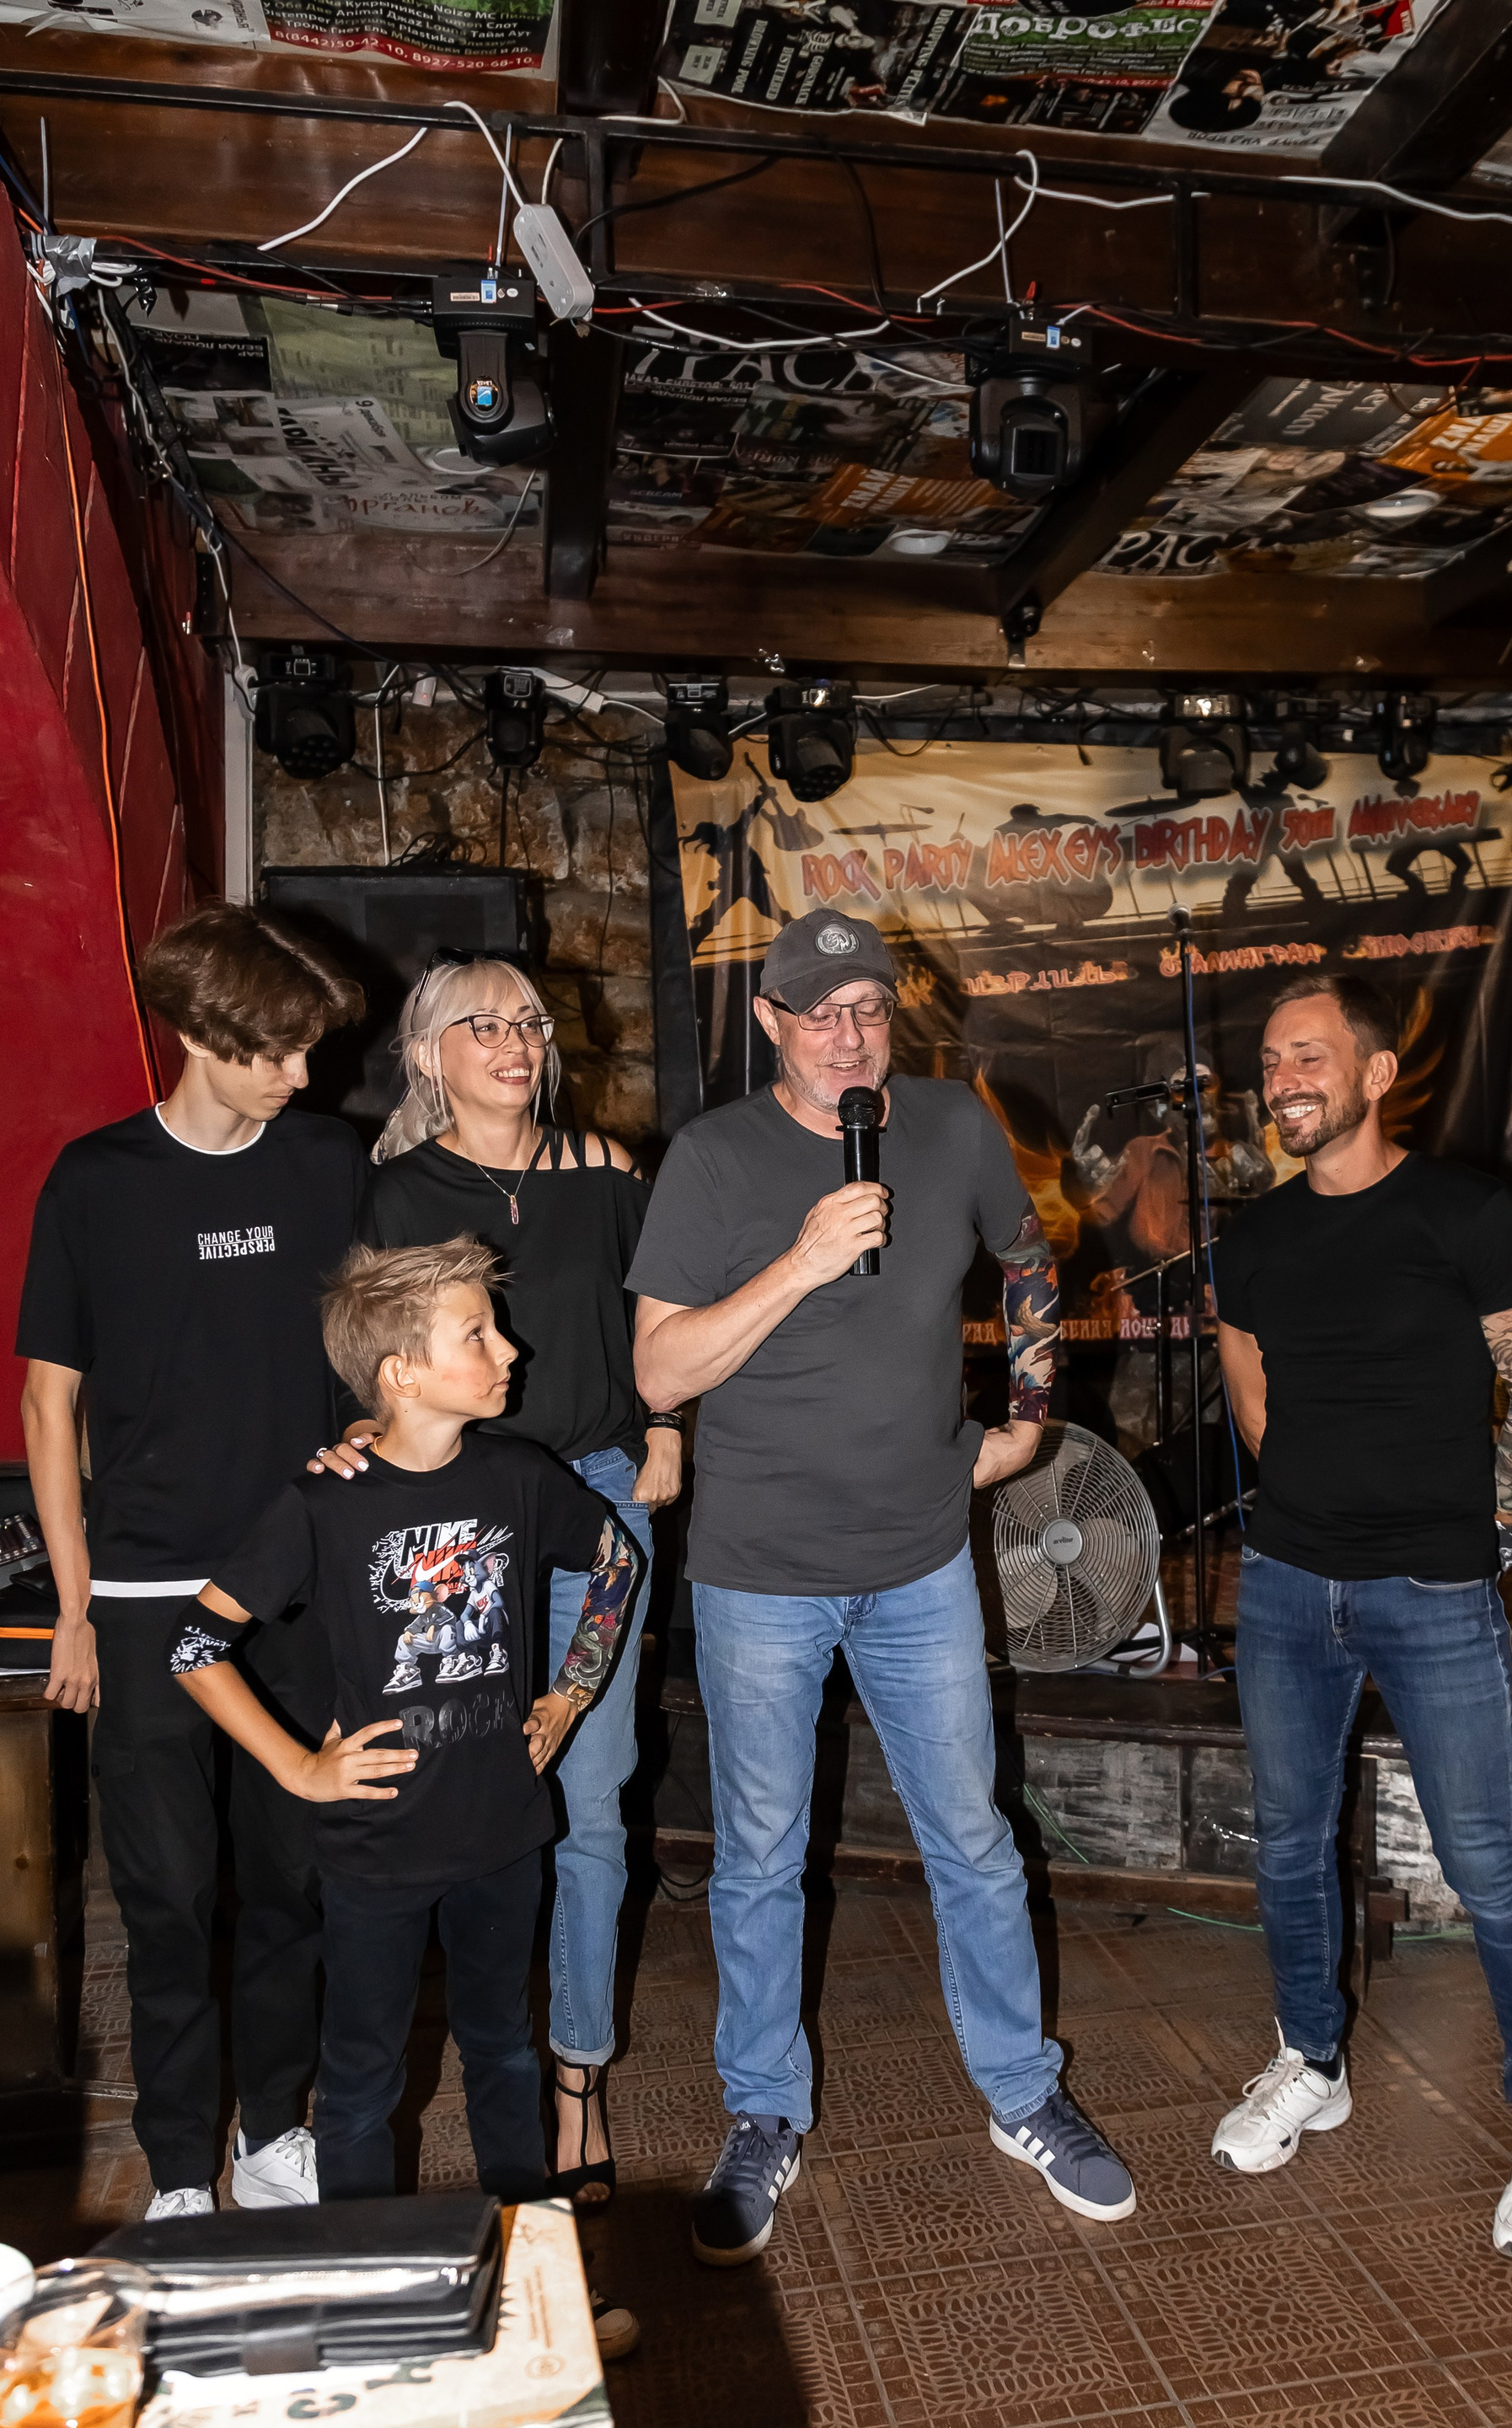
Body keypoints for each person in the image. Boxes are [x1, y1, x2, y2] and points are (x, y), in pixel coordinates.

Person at [628, 907, 1138, 2265]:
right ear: (770, 1023)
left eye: (868, 1010)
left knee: (971, 1837)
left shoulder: (955, 1125)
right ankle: (762, 2113)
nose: (850, 1037)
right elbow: (661, 1371)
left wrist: (1027, 1412)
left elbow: (1028, 1259)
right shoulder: (715, 1158)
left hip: (920, 1558)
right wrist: (803, 1257)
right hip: (761, 1572)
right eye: (820, 1013)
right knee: (759, 1859)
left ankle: (1024, 2093)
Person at [1214, 973, 1512, 2263]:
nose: (1282, 1080)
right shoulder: (1255, 1239)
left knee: (1487, 1864)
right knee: (1287, 1847)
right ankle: (1310, 2061)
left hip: (1435, 1590)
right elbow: (1253, 1395)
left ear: (1376, 1074)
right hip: (1285, 1586)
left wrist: (1481, 1543)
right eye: (1272, 1061)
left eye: (1308, 1056)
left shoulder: (1468, 1214)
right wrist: (1309, 1509)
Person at [311, 951, 679, 2205]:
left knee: (589, 1797)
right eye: (484, 1025)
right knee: (465, 1788)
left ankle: (577, 2070)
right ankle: (474, 2056)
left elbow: (660, 1325)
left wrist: (667, 1427)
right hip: (456, 1523)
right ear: (428, 1054)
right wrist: (354, 1437)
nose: (516, 1042)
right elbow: (369, 1358)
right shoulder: (396, 1190)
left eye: (529, 1023)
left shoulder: (609, 1172)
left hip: (595, 1500)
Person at [17, 903, 366, 2217]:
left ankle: (274, 2132)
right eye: (278, 1051)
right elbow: (49, 1403)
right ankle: (177, 2170)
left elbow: (370, 1347)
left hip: (296, 1589)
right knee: (168, 1898)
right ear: (203, 1038)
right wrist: (73, 1606)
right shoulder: (96, 1180)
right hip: (147, 1592)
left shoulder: (327, 1161)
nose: (303, 1074)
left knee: (293, 1880)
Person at [168, 1236, 641, 2204]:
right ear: (402, 1374)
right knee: (359, 2084)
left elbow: (616, 1560)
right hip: (376, 1850)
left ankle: (523, 2254)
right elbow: (193, 1647)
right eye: (478, 1334)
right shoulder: (322, 1503)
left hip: (503, 1832)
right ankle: (368, 2272)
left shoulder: (518, 1473)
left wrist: (570, 1693)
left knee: (503, 2049)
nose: (510, 1350)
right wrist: (298, 1767)